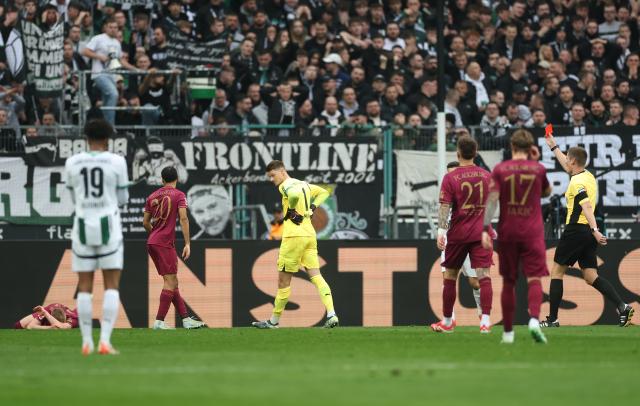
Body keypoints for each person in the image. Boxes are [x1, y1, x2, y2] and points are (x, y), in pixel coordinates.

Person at [542, 131, 634, 327]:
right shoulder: (588, 176)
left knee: (557, 272)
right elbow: (568, 167)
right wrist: (553, 146)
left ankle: (553, 320)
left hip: (577, 230)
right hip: (586, 234)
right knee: (591, 276)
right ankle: (622, 306)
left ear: (573, 161)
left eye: (568, 158)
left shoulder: (577, 182)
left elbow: (586, 206)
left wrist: (595, 229)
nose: (566, 161)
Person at [63, 119, 128, 355]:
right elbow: (122, 199)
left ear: (85, 138)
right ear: (108, 139)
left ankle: (86, 342)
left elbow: (72, 197)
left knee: (84, 286)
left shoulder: (72, 162)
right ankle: (105, 341)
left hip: (81, 226)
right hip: (108, 226)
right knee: (111, 285)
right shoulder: (117, 161)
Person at [481, 130, 552, 344]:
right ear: (530, 148)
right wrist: (535, 161)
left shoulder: (500, 169)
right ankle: (533, 321)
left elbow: (492, 200)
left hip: (508, 230)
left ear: (512, 147)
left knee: (509, 282)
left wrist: (485, 228)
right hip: (533, 231)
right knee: (534, 278)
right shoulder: (538, 169)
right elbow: (547, 193)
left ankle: (508, 334)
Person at [252, 160, 338, 329]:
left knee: (283, 282)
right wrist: (312, 208)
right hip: (309, 235)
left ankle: (273, 322)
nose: (271, 179)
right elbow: (324, 193)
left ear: (282, 171)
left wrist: (291, 210)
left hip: (293, 237)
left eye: (272, 175)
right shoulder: (304, 184)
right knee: (316, 276)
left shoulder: (285, 186)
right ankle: (332, 314)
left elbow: (293, 196)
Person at [431, 136, 493, 333]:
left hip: (458, 234)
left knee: (449, 276)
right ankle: (485, 321)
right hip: (481, 233)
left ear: (458, 154)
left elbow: (444, 207)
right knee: (484, 277)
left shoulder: (450, 178)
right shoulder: (486, 176)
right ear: (475, 153)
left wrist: (441, 232)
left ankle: (448, 321)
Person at [143, 166, 205, 330]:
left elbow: (145, 222)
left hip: (152, 242)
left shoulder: (152, 196)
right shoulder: (179, 195)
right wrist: (187, 243)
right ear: (176, 178)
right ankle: (159, 321)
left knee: (172, 281)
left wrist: (154, 234)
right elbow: (184, 219)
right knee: (170, 282)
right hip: (164, 243)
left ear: (162, 180)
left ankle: (185, 319)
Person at [438, 161, 484, 320]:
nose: (451, 176)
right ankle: (449, 318)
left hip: (468, 238)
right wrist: (441, 233)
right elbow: (443, 210)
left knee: (475, 282)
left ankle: (482, 313)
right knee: (447, 278)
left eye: (454, 173)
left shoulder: (470, 196)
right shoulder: (446, 189)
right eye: (449, 173)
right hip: (451, 241)